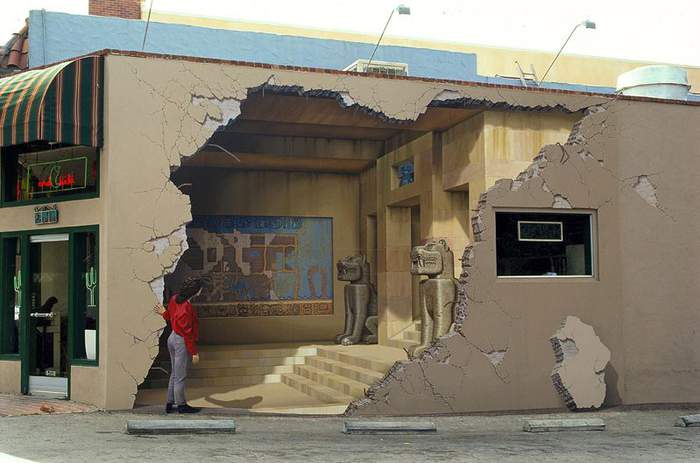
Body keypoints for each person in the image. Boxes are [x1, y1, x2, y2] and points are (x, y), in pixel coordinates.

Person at [153, 277, 203, 414]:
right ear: (196, 291)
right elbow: (187, 332)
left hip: (172, 337)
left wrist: (163, 312)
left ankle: (170, 403)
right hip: (181, 341)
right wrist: (194, 352)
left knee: (175, 373)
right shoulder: (187, 307)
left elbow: (170, 316)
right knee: (180, 375)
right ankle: (181, 405)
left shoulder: (174, 299)